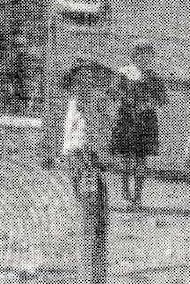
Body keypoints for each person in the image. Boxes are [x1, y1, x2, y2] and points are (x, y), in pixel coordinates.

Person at [109, 39, 167, 210]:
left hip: (145, 120)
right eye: (142, 55)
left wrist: (148, 104)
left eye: (149, 55)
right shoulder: (123, 73)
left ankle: (138, 196)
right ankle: (126, 193)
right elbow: (113, 93)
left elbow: (162, 100)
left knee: (142, 159)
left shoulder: (153, 77)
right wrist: (123, 99)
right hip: (126, 119)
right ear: (134, 56)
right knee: (126, 158)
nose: (146, 59)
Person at [60, 57, 115, 200]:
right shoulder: (74, 93)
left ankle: (92, 192)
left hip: (91, 132)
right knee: (74, 163)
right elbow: (64, 85)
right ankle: (77, 191)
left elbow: (104, 114)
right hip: (75, 131)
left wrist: (106, 122)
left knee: (90, 162)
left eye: (88, 74)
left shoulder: (98, 95)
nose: (85, 78)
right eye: (81, 74)